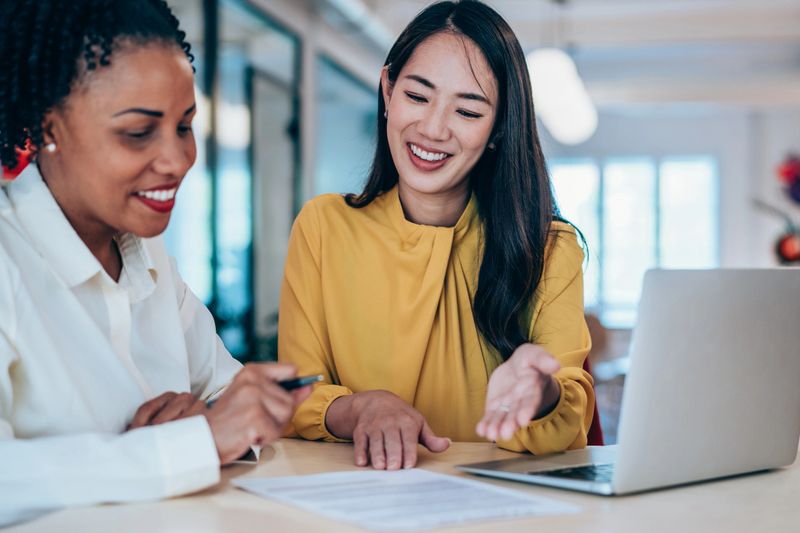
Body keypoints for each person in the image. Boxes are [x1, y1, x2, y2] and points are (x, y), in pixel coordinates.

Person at [0, 0, 309, 526]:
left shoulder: (148, 257)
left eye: (185, 126)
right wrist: (192, 445)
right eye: (139, 133)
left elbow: (229, 392)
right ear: (48, 125)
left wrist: (209, 423)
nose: (178, 160)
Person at [279, 0, 595, 471]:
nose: (432, 128)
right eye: (418, 96)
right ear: (388, 91)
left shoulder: (548, 248)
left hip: (499, 506)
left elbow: (570, 421)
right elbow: (297, 394)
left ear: (497, 130)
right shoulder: (323, 226)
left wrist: (543, 391)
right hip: (361, 501)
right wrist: (362, 407)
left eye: (467, 111)